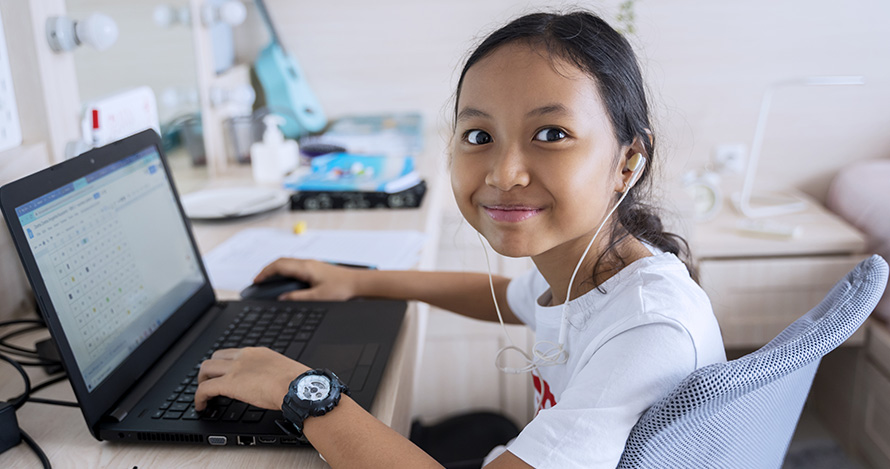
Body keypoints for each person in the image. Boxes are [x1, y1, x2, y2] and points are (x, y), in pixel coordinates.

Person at [195, 10, 726, 469]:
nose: (503, 173)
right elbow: (501, 294)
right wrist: (355, 281)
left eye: (552, 134)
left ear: (628, 160)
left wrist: (303, 394)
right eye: (479, 136)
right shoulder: (587, 269)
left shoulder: (647, 329)